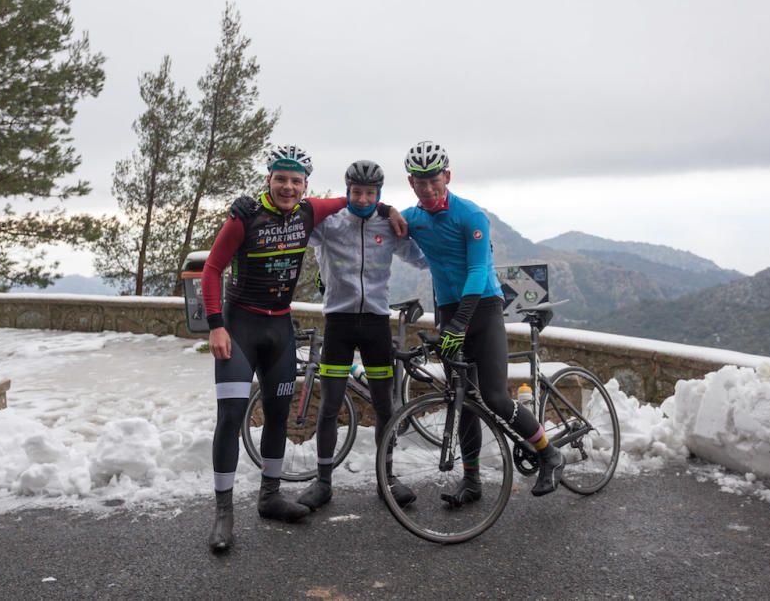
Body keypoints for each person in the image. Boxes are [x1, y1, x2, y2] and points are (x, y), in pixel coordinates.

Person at [201, 145, 403, 553]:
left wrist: (391, 210)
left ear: (305, 185)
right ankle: (223, 514)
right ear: (268, 180)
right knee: (232, 417)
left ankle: (269, 497)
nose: (288, 187)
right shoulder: (244, 217)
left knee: (279, 416)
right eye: (281, 179)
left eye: (296, 181)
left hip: (279, 327)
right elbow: (211, 269)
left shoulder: (310, 211)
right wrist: (216, 325)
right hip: (240, 327)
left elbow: (358, 199)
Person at [400, 140, 564, 506]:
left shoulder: (470, 215)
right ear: (411, 182)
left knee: (494, 397)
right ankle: (472, 481)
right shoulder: (413, 219)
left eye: (434, 180)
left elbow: (477, 270)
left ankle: (549, 453)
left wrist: (460, 322)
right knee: (464, 398)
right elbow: (374, 230)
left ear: (447, 176)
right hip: (448, 309)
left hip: (484, 306)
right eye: (420, 181)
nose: (428, 188)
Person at [295, 160, 426, 511]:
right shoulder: (330, 224)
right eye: (357, 192)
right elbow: (296, 216)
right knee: (330, 406)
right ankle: (323, 483)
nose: (363, 198)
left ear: (379, 194)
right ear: (347, 190)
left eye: (371, 193)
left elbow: (422, 259)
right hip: (338, 322)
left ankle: (386, 480)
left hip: (375, 325)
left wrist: (411, 223)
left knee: (386, 405)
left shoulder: (388, 224)